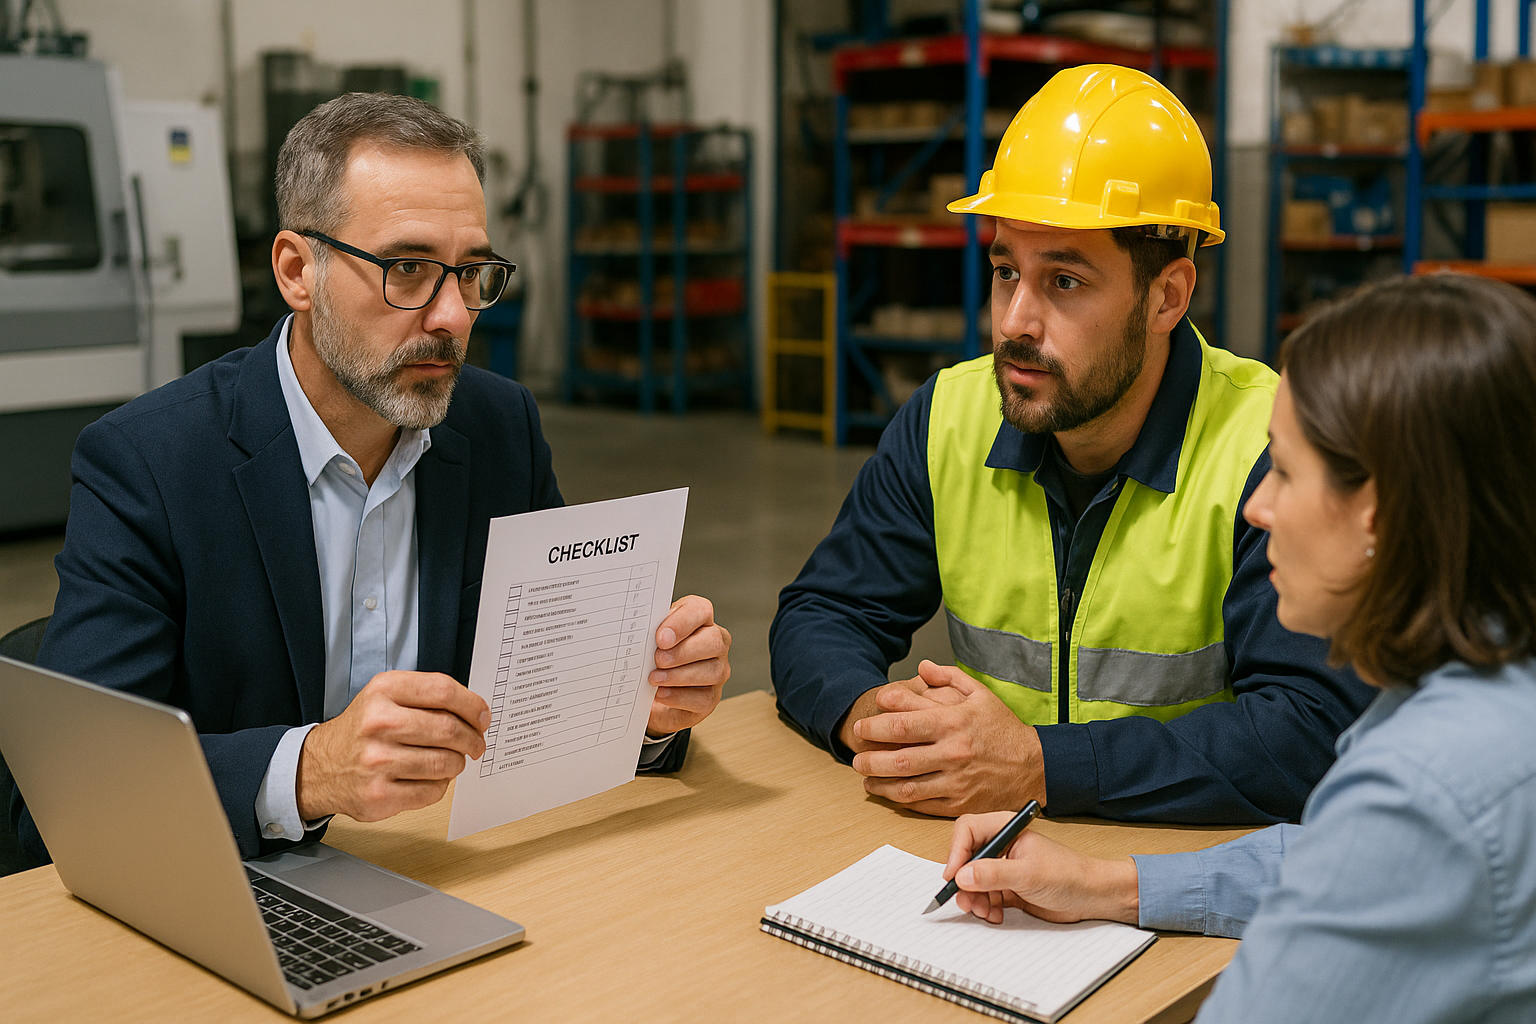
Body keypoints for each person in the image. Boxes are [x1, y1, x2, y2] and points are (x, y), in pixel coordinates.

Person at [10, 93, 731, 866]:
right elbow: (76, 798)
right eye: (409, 268)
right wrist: (310, 772)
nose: (453, 315)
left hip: (445, 873)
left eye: (473, 273)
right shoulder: (151, 463)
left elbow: (543, 699)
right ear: (297, 270)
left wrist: (642, 710)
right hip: (227, 889)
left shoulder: (499, 430)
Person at [771, 64, 1373, 823]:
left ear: (1167, 296)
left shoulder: (1268, 451)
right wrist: (875, 717)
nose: (1015, 321)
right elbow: (820, 615)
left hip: (1176, 882)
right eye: (1004, 272)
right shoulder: (949, 418)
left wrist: (1039, 766)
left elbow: (1309, 732)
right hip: (992, 862)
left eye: (1064, 282)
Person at [941, 272, 1536, 1023]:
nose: (1258, 506)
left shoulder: (1422, 793)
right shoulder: (1485, 696)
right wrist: (1104, 884)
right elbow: (1329, 861)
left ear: (1378, 514)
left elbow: (1375, 848)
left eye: (1285, 471)